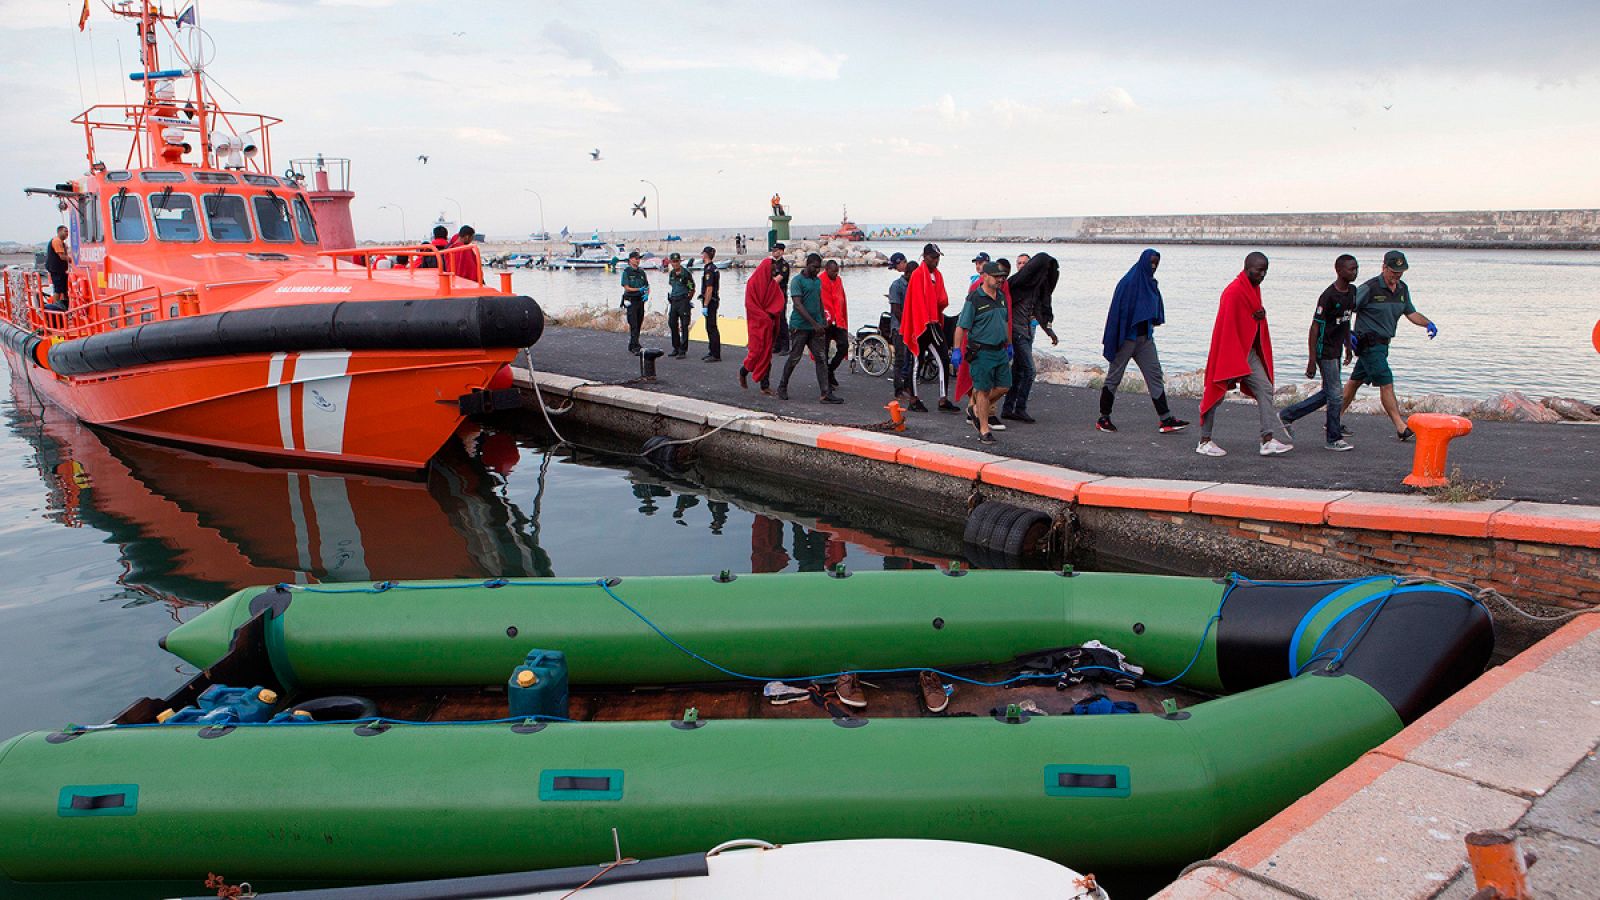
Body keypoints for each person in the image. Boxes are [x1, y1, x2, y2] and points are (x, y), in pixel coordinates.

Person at [1197, 252, 1292, 457]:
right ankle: (1204, 441)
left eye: (1265, 271)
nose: (1263, 275)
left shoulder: (1253, 288)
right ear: (1247, 268)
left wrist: (1259, 316)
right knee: (1216, 393)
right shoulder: (1233, 292)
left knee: (1265, 388)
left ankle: (1267, 439)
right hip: (1230, 351)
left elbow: (1249, 317)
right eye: (1259, 270)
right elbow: (1227, 325)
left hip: (1247, 350)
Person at [1342, 250, 1438, 442]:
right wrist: (1347, 335)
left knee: (1354, 382)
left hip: (1383, 345)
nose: (1397, 275)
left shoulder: (1402, 289)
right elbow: (1346, 309)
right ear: (1384, 267)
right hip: (1368, 344)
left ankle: (1333, 419)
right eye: (1394, 271)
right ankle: (1401, 427)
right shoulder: (1369, 288)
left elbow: (1411, 313)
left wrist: (1428, 323)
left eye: (1400, 272)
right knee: (1386, 383)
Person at [1098, 248, 1189, 434]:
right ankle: (1103, 418)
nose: (1154, 266)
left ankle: (1166, 419)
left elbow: (1153, 308)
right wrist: (1117, 338)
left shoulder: (1150, 283)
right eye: (1151, 262)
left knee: (1155, 374)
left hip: (1145, 339)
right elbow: (1118, 313)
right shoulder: (1128, 283)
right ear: (1144, 262)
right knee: (1114, 377)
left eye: (1156, 263)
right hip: (1126, 338)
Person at [1279, 254, 1359, 451]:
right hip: (1325, 350)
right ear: (1339, 270)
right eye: (1351, 269)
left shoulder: (1352, 292)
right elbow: (1315, 327)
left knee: (1330, 393)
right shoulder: (1328, 296)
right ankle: (1333, 438)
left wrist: (1348, 346)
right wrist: (1312, 359)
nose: (1355, 272)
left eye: (1356, 268)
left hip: (1337, 349)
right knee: (1336, 395)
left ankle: (1288, 414)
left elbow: (1346, 320)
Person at [952, 261, 1012, 445]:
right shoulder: (974, 299)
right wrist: (956, 350)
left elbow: (1005, 322)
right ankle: (984, 430)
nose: (1000, 280)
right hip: (982, 351)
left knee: (1004, 386)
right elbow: (961, 326)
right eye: (996, 277)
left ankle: (976, 408)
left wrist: (1009, 345)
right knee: (983, 390)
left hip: (1000, 350)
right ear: (984, 276)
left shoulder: (1001, 296)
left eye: (1002, 277)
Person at [899, 243, 958, 412]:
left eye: (938, 257)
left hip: (933, 322)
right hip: (920, 324)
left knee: (943, 359)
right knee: (917, 361)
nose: (936, 261)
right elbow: (917, 301)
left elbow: (941, 299)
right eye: (933, 257)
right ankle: (914, 399)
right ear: (925, 257)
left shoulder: (937, 275)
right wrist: (923, 322)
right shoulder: (918, 275)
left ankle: (943, 399)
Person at [1001, 252, 1059, 423]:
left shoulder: (1036, 288)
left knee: (1018, 371)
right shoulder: (1016, 284)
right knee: (1029, 370)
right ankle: (1020, 408)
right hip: (1017, 332)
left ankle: (1008, 408)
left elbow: (1040, 311)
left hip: (1026, 332)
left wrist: (1049, 331)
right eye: (1019, 263)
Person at [778, 253, 841, 403]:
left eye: (819, 268)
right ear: (807, 264)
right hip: (800, 326)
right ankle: (782, 386)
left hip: (815, 328)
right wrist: (814, 323)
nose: (817, 270)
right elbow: (798, 305)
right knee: (794, 358)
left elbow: (819, 301)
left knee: (821, 359)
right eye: (814, 267)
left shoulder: (817, 281)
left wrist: (823, 319)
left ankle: (825, 393)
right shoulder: (797, 281)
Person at [740, 256, 784, 393]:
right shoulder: (752, 283)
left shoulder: (772, 285)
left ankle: (765, 385)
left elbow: (778, 301)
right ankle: (744, 371)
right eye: (771, 270)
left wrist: (772, 315)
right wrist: (764, 317)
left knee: (767, 354)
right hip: (757, 322)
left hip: (769, 323)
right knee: (756, 351)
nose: (773, 273)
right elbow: (750, 304)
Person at [820, 258, 850, 390]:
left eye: (837, 271)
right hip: (825, 321)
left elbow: (841, 299)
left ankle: (830, 370)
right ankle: (826, 379)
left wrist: (841, 317)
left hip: (838, 320)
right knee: (824, 351)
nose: (836, 274)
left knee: (844, 346)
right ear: (826, 270)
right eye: (833, 271)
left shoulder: (838, 280)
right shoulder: (820, 281)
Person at [619, 250, 650, 355]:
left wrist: (647, 294)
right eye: (636, 259)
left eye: (639, 259)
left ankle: (634, 343)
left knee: (639, 322)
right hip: (631, 300)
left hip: (640, 300)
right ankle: (634, 345)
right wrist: (638, 290)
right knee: (633, 324)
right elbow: (627, 287)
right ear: (630, 260)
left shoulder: (641, 272)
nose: (638, 261)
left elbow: (647, 285)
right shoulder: (627, 272)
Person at [664, 252, 694, 359]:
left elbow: (692, 288)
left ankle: (683, 350)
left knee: (684, 325)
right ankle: (676, 347)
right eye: (673, 261)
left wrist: (687, 300)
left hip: (683, 300)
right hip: (674, 300)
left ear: (680, 261)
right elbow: (672, 285)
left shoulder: (686, 273)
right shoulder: (672, 273)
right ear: (671, 262)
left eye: (677, 261)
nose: (675, 263)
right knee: (672, 323)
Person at [769, 243, 792, 354]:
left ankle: (785, 346)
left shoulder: (784, 265)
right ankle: (776, 344)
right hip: (771, 294)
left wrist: (767, 282)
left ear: (782, 251)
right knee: (773, 319)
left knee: (781, 319)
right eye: (773, 250)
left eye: (776, 250)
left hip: (780, 293)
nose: (774, 252)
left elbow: (777, 280)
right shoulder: (771, 263)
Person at [699, 246, 721, 361]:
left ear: (705, 255)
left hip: (711, 301)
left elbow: (709, 288)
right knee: (710, 327)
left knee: (711, 327)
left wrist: (705, 305)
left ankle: (715, 354)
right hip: (713, 300)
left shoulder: (709, 269)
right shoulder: (713, 268)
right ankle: (712, 350)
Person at [43, 225, 71, 311]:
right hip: (56, 269)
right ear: (59, 232)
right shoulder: (57, 241)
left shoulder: (62, 243)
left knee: (64, 288)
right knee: (58, 289)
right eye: (65, 231)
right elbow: (62, 256)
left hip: (61, 270)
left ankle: (66, 304)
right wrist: (72, 260)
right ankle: (56, 307)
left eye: (67, 232)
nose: (67, 234)